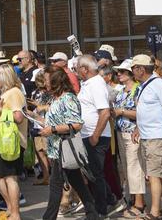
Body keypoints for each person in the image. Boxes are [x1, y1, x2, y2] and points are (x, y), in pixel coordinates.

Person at [38, 68, 98, 220]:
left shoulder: (68, 98)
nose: (45, 82)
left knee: (55, 186)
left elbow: (77, 124)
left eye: (47, 79)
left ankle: (48, 217)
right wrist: (34, 117)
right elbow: (55, 121)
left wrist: (52, 129)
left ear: (56, 80)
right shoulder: (56, 99)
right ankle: (92, 213)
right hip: (57, 149)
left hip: (64, 149)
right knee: (78, 184)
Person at [129, 55, 162, 220]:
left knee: (154, 175)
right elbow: (147, 112)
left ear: (141, 69)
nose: (132, 72)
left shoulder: (159, 85)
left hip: (156, 136)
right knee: (160, 174)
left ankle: (154, 213)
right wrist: (138, 128)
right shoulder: (145, 85)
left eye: (133, 68)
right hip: (147, 135)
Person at [74, 55, 120, 216]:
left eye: (77, 68)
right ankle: (111, 199)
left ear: (85, 69)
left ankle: (101, 210)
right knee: (93, 172)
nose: (75, 71)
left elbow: (105, 112)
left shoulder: (96, 84)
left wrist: (95, 136)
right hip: (88, 134)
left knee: (96, 175)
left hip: (96, 136)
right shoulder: (88, 83)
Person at [0, 65, 28, 220]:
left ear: (4, 78)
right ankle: (11, 207)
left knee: (10, 177)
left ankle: (15, 213)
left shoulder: (14, 93)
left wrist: (0, 111)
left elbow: (19, 117)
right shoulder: (4, 93)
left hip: (9, 140)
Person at [111, 60, 146, 217]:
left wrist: (122, 112)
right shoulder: (121, 92)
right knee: (126, 167)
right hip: (120, 132)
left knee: (134, 167)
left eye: (122, 72)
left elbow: (141, 113)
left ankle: (139, 203)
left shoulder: (138, 90)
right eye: (118, 72)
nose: (118, 74)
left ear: (130, 74)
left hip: (133, 133)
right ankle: (133, 198)